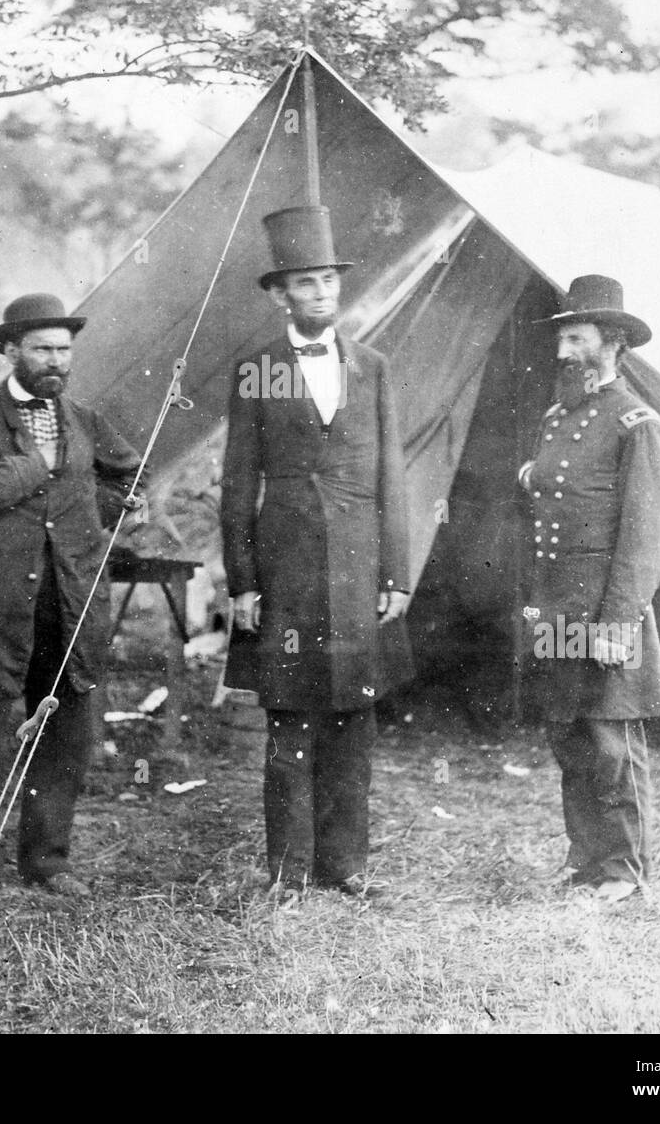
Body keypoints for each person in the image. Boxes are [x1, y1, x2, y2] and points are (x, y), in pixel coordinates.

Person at [221, 206, 413, 904]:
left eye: (329, 280)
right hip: (287, 567)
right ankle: (287, 869)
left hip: (361, 570)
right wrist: (242, 580)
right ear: (280, 295)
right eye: (307, 283)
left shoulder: (375, 369)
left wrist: (398, 573)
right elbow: (239, 481)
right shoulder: (256, 372)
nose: (322, 293)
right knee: (291, 717)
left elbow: (394, 475)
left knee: (354, 719)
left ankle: (346, 864)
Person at [0, 294, 142, 919]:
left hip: (71, 606)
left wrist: (113, 505)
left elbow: (125, 474)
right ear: (12, 350)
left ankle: (46, 860)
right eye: (45, 349)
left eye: (65, 349)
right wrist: (35, 464)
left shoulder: (83, 419)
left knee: (63, 737)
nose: (57, 361)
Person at [519, 275, 660, 904]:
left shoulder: (637, 423)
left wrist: (617, 622)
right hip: (556, 604)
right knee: (571, 735)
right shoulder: (557, 418)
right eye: (561, 338)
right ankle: (587, 861)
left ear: (612, 343)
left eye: (576, 338)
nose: (563, 352)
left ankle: (623, 871)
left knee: (612, 741)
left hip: (605, 604)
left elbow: (648, 536)